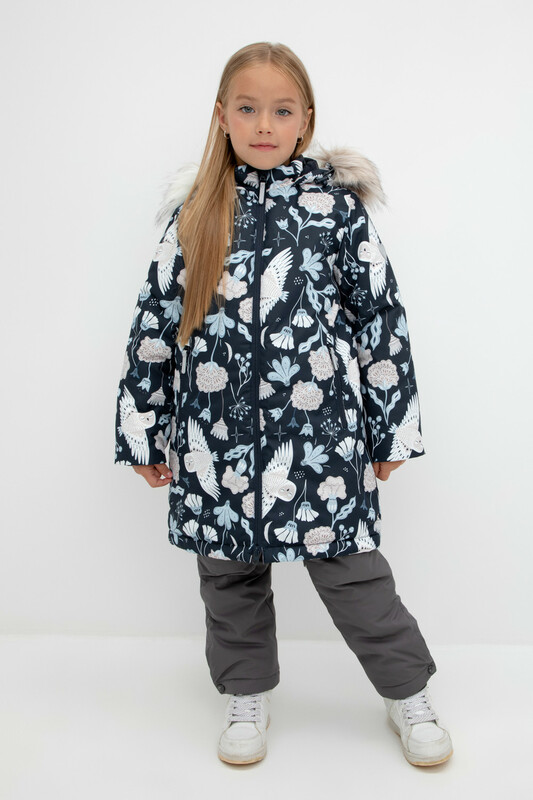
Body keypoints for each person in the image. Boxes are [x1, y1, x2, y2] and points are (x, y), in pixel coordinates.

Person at [114, 41, 453, 768]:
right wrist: (143, 430)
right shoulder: (196, 211)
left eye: (281, 110)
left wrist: (392, 427)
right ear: (222, 117)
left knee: (354, 575)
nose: (263, 124)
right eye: (247, 108)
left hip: (320, 441)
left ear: (305, 120)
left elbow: (378, 319)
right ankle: (245, 694)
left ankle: (407, 693)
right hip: (215, 442)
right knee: (227, 578)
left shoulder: (335, 211)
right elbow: (155, 328)